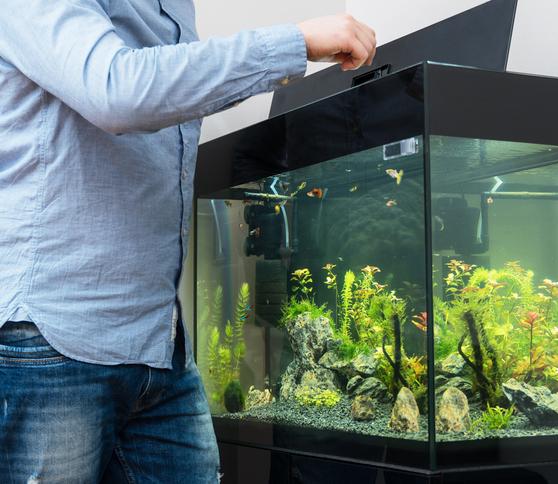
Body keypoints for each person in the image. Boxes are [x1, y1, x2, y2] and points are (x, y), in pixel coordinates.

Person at [0, 1, 376, 482]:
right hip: (55, 341)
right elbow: (117, 89)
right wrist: (294, 42)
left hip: (159, 344)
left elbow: (169, 94)